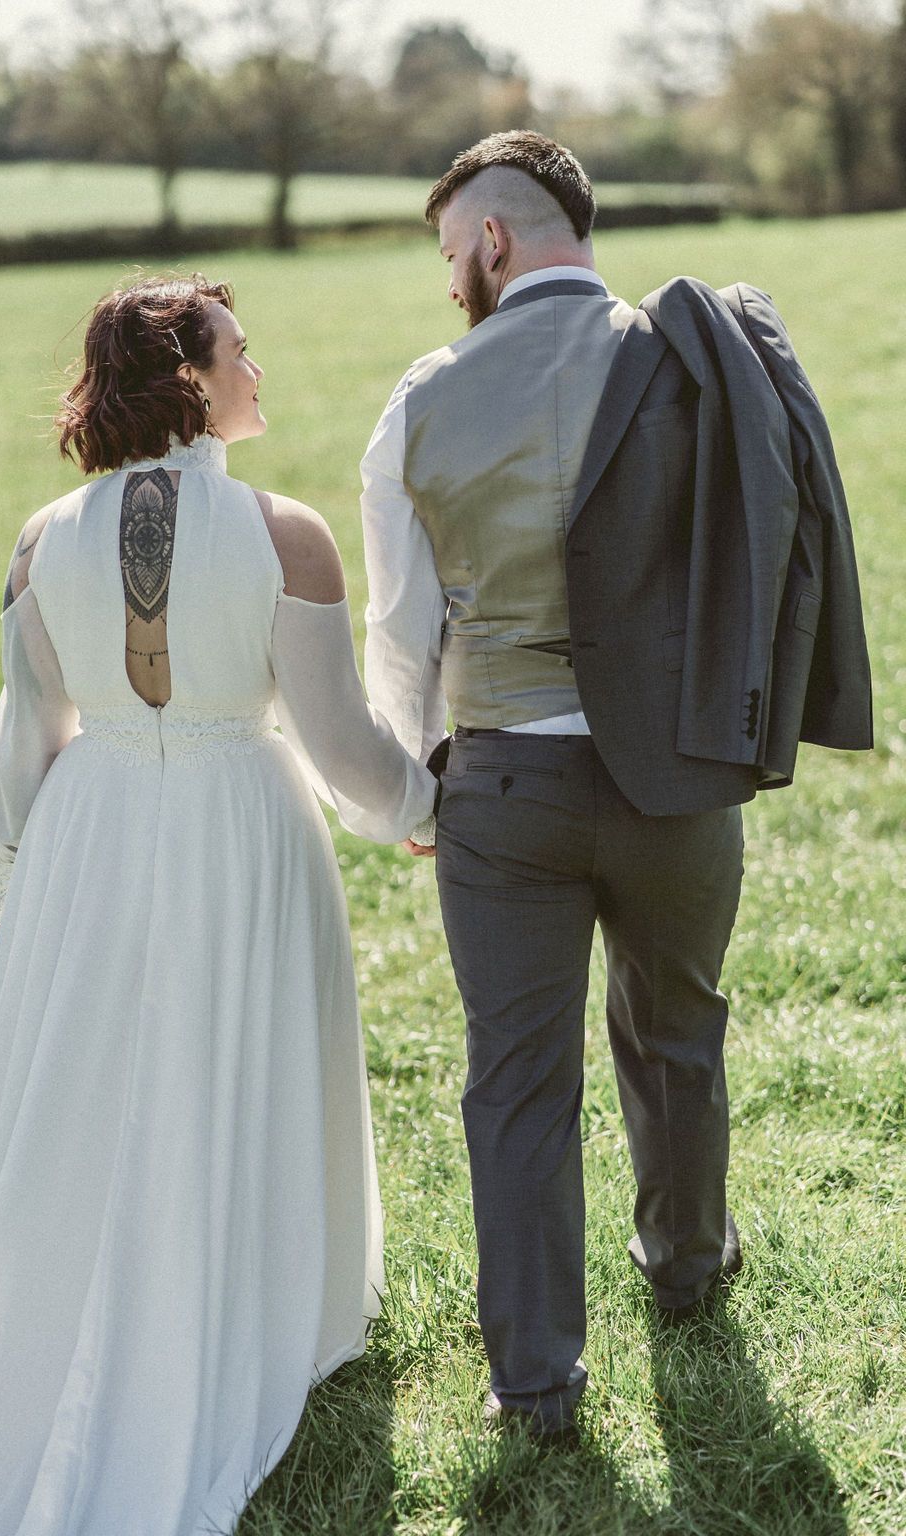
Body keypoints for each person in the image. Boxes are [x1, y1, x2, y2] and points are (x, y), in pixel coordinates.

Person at [0, 275, 436, 1535]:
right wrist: (427, 810)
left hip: (87, 832)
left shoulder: (39, 538)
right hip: (241, 820)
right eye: (241, 350)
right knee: (231, 1059)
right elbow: (343, 743)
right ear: (188, 375)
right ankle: (243, 1303)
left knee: (91, 1080)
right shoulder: (287, 534)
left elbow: (24, 739)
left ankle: (84, 1298)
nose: (260, 369)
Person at [360, 130, 871, 1442]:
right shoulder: (698, 370)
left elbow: (401, 635)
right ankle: (688, 1269)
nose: (447, 284)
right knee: (678, 1032)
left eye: (447, 255)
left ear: (490, 240)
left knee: (516, 1082)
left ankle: (533, 1385)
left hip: (507, 790)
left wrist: (420, 794)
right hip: (680, 783)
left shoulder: (422, 399)